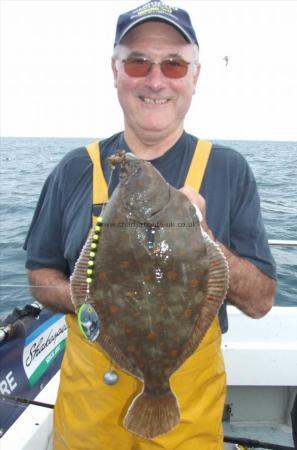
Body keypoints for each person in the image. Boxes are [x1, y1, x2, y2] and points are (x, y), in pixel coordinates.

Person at [24, 1, 277, 449]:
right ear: (116, 72)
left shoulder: (229, 169)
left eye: (174, 64)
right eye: (138, 62)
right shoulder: (72, 170)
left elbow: (260, 303)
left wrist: (206, 241)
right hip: (88, 418)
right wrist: (87, 297)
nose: (156, 79)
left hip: (188, 413)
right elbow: (40, 276)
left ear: (195, 76)